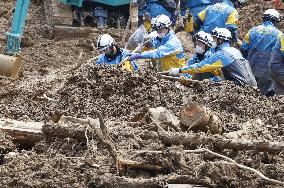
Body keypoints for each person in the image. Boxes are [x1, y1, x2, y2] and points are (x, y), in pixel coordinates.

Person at [168, 28, 257, 87]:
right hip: (251, 84)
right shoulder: (233, 50)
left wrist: (179, 70)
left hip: (240, 85)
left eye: (214, 39)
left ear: (220, 40)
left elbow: (201, 67)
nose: (212, 41)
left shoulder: (222, 54)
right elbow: (224, 75)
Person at [240, 9, 282, 95]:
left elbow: (243, 48)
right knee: (264, 96)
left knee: (248, 93)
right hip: (267, 71)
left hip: (250, 68)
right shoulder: (279, 34)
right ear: (276, 21)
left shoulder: (252, 31)